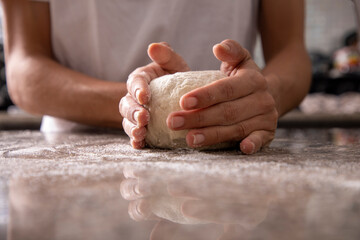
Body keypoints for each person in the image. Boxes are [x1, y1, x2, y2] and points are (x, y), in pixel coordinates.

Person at [1, 0, 311, 154]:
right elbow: (24, 66)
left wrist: (263, 96)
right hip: (70, 154)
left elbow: (291, 52)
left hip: (229, 149)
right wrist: (141, 104)